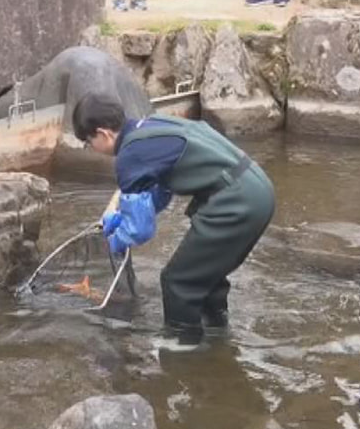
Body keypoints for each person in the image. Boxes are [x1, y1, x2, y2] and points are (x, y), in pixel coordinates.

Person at [73, 94, 275, 343]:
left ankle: (183, 351)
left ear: (103, 134)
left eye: (87, 142)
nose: (90, 149)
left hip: (236, 201)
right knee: (206, 275)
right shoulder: (154, 125)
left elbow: (140, 231)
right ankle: (217, 337)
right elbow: (161, 192)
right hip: (257, 188)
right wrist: (123, 216)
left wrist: (115, 240)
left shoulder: (130, 156)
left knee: (178, 282)